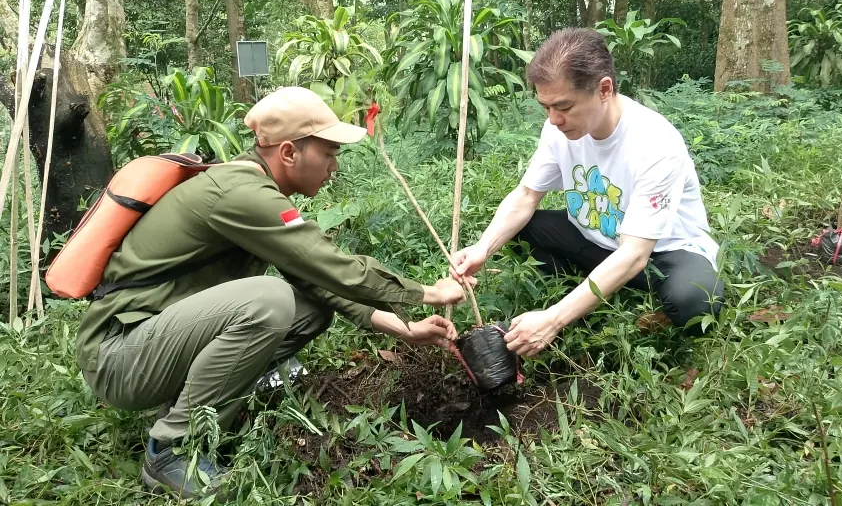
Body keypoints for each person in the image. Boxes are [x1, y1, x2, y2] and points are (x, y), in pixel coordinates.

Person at [74, 86, 466, 500]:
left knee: (308, 308)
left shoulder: (251, 186)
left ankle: (206, 399)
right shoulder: (241, 193)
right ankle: (170, 450)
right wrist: (427, 292)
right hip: (118, 357)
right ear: (289, 153)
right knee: (271, 301)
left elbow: (314, 279)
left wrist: (401, 327)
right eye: (328, 153)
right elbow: (326, 262)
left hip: (150, 343)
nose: (334, 166)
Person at [451, 28, 723, 358]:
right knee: (525, 226)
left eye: (563, 106)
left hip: (664, 253)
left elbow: (635, 253)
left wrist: (554, 321)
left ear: (604, 89)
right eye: (545, 107)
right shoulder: (558, 129)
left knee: (695, 302)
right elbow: (526, 196)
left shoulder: (655, 144)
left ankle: (597, 303)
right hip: (596, 241)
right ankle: (581, 294)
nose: (553, 120)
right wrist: (482, 248)